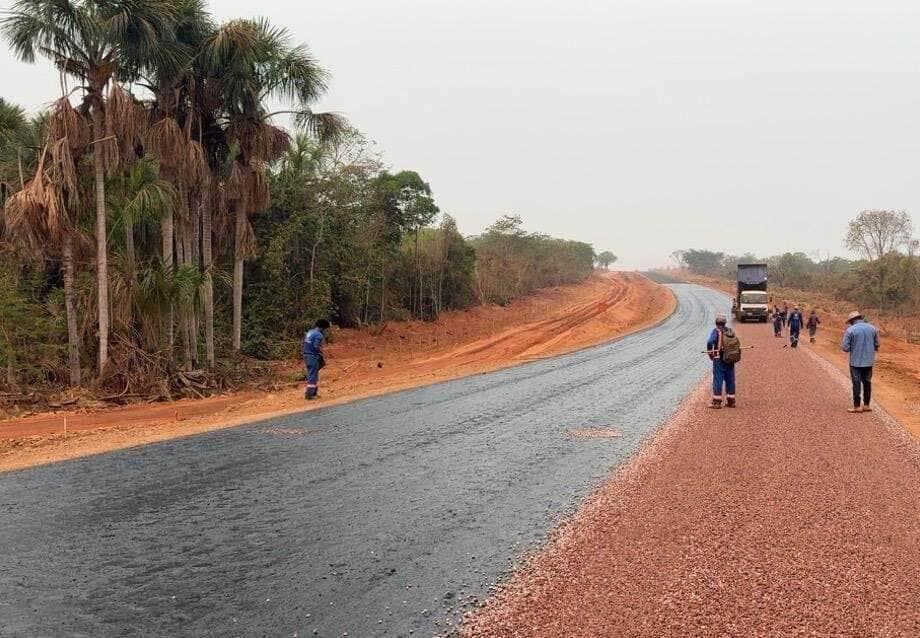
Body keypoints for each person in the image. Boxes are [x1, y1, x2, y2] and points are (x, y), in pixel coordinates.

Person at [841, 311, 880, 413]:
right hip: (869, 362)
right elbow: (877, 345)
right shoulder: (873, 328)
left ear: (852, 320)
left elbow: (845, 348)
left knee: (856, 383)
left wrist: (854, 346)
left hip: (855, 362)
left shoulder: (850, 330)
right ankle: (866, 405)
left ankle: (857, 406)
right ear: (860, 318)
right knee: (867, 382)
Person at [707, 314, 740, 409]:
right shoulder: (730, 331)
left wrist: (711, 354)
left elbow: (710, 342)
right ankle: (731, 401)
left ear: (716, 323)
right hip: (730, 359)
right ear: (725, 323)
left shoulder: (716, 331)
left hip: (719, 359)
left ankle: (716, 402)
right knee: (730, 379)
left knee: (718, 379)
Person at [303, 319, 330, 400]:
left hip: (306, 355)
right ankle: (309, 395)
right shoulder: (319, 335)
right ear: (322, 328)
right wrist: (321, 353)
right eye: (325, 329)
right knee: (313, 375)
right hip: (312, 356)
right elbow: (316, 346)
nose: (325, 331)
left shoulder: (310, 332)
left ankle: (313, 392)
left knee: (312, 374)